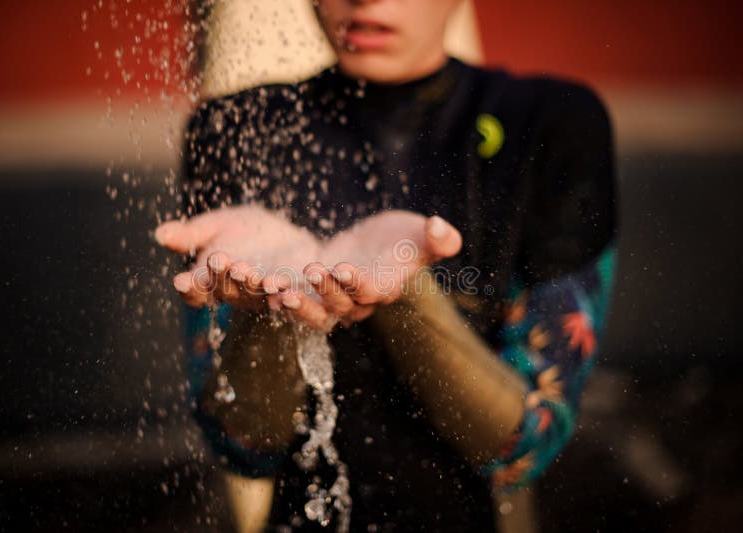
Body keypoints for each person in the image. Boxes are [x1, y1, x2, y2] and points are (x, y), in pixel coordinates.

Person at [155, 0, 616, 530]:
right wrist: (272, 302)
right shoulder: (235, 128)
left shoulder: (550, 126)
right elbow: (241, 445)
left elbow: (525, 443)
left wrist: (404, 291)